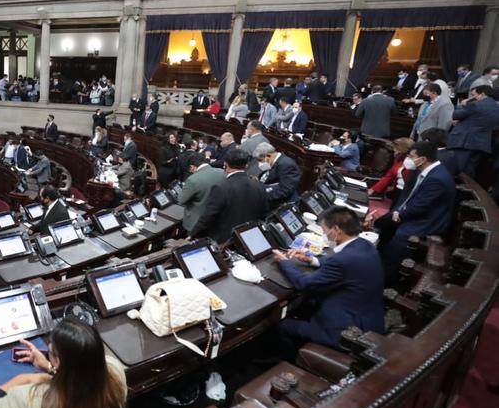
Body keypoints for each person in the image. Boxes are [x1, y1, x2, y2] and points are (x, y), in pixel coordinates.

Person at [273, 207, 384, 356]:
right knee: (306, 306)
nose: (324, 233)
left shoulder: (343, 259)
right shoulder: (365, 246)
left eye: (325, 230)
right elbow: (346, 267)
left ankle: (293, 363)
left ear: (336, 230)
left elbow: (304, 283)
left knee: (282, 326)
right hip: (368, 319)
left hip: (345, 332)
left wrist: (284, 262)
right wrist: (312, 259)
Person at [370, 141, 456, 282]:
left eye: (411, 156)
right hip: (414, 213)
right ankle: (375, 261)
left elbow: (420, 207)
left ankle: (385, 278)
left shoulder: (437, 178)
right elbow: (407, 197)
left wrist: (400, 214)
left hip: (428, 222)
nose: (407, 159)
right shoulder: (423, 171)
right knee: (382, 225)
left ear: (422, 159)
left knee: (398, 237)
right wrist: (397, 212)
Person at [191, 149, 267, 243]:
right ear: (246, 166)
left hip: (224, 241)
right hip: (249, 239)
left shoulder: (220, 187)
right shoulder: (259, 186)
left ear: (225, 165)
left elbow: (208, 217)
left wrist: (192, 235)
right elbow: (264, 215)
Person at [447, 85, 499, 175]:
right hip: (482, 143)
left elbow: (456, 115)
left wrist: (462, 105)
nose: (472, 98)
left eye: (474, 95)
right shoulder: (496, 107)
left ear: (482, 94)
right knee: (469, 171)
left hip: (464, 141)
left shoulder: (475, 104)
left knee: (457, 169)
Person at [178, 154, 226, 234]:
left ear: (192, 166)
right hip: (217, 219)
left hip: (197, 222)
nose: (190, 172)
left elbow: (181, 200)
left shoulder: (192, 180)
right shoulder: (222, 172)